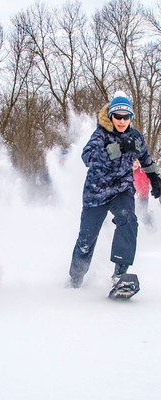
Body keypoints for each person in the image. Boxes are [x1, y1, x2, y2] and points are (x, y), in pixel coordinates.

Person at [67, 91, 161, 289]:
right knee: (86, 240)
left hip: (122, 190)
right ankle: (75, 279)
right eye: (117, 116)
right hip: (96, 193)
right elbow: (87, 157)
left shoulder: (136, 137)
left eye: (126, 116)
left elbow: (146, 159)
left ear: (131, 118)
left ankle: (120, 274)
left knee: (128, 218)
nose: (121, 120)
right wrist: (117, 148)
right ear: (111, 116)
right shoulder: (101, 134)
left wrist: (155, 179)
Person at [132, 159, 156, 232]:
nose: (135, 164)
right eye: (134, 162)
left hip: (143, 196)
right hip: (133, 197)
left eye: (137, 162)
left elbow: (151, 179)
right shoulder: (127, 173)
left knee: (142, 212)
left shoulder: (142, 172)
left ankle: (150, 223)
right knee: (135, 212)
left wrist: (155, 186)